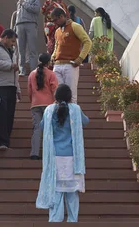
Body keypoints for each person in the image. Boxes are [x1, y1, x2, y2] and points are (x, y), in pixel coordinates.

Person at [36, 84, 89, 223]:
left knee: (57, 192)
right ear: (70, 96)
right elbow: (86, 121)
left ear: (56, 96)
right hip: (73, 158)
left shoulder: (49, 110)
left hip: (54, 158)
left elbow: (42, 126)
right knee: (72, 193)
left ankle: (55, 220)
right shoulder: (76, 110)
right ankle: (73, 220)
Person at [51, 7, 92, 104]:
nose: (55, 23)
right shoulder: (57, 31)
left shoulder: (75, 26)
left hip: (70, 65)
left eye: (55, 20)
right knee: (58, 96)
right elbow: (57, 46)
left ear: (61, 16)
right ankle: (61, 117)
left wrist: (80, 58)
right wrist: (53, 56)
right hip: (57, 65)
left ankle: (72, 118)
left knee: (71, 95)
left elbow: (87, 42)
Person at [28, 52, 57, 160]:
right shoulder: (51, 74)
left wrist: (33, 101)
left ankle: (34, 153)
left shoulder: (31, 74)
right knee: (49, 128)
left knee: (37, 129)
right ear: (48, 62)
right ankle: (48, 152)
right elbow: (55, 89)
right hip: (48, 105)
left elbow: (29, 91)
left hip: (35, 104)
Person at [15, 0, 40, 75]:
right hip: (19, 25)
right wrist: (15, 27)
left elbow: (36, 10)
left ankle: (33, 71)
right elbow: (17, 15)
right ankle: (22, 70)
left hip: (30, 24)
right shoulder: (19, 1)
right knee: (21, 49)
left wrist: (24, 4)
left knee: (32, 49)